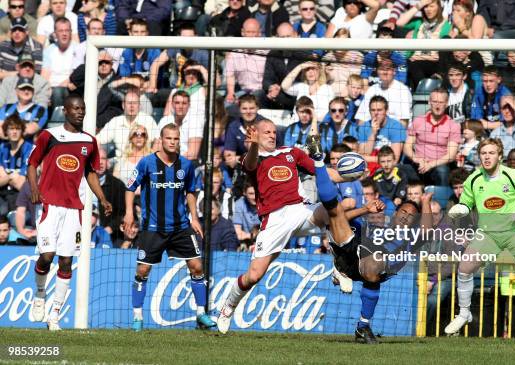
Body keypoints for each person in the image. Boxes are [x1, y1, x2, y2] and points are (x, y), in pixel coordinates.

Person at [305, 134, 433, 343]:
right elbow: (339, 220)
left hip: (375, 265)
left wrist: (425, 201)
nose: (405, 216)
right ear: (395, 214)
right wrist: (364, 208)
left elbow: (427, 230)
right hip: (352, 253)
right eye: (403, 212)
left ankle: (362, 325)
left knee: (374, 263)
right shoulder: (373, 227)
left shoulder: (410, 238)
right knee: (335, 209)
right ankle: (319, 160)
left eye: (411, 216)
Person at [216, 119, 334, 334]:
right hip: (274, 220)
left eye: (274, 132)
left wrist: (348, 174)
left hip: (300, 209)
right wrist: (252, 146)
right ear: (257, 135)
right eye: (266, 132)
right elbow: (250, 164)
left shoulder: (291, 152)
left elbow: (322, 173)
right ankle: (228, 306)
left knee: (333, 210)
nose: (272, 135)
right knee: (254, 275)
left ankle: (341, 267)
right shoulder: (253, 158)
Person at [444, 138, 515, 339]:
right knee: (464, 267)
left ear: (499, 156)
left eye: (491, 153)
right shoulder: (473, 180)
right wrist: (461, 209)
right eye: (483, 153)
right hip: (487, 233)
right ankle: (464, 313)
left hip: (514, 231)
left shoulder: (514, 175)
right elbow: (467, 203)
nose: (487, 156)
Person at [28, 95, 112, 331]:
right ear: (64, 110)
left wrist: (102, 198)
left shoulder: (89, 142)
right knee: (47, 256)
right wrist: (34, 188)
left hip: (73, 208)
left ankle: (54, 315)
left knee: (66, 262)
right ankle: (40, 294)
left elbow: (90, 173)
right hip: (48, 206)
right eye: (75, 108)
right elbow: (32, 163)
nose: (80, 112)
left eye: (82, 109)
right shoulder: (50, 136)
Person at [123, 123, 215, 332]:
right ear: (161, 140)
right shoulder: (147, 163)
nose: (173, 142)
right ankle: (137, 316)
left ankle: (201, 313)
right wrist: (129, 212)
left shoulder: (186, 165)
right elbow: (130, 187)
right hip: (153, 228)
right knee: (143, 270)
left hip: (181, 227)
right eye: (169, 139)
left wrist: (195, 218)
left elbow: (191, 191)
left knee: (197, 267)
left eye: (176, 139)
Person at [404, 87, 461, 186]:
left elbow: (451, 156)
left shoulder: (453, 125)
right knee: (399, 169)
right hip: (418, 163)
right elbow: (407, 147)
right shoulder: (418, 121)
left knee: (442, 171)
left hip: (438, 166)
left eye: (441, 102)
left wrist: (431, 164)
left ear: (446, 104)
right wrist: (417, 159)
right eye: (435, 101)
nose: (437, 105)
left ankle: (442, 200)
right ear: (429, 102)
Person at [0, 115, 33, 216]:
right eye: (11, 128)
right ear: (6, 131)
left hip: (21, 196)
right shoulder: (2, 148)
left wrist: (6, 177)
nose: (14, 132)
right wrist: (11, 176)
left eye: (17, 129)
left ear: (22, 131)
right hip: (3, 193)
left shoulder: (29, 149)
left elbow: (22, 185)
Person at [470, 65, 512, 130]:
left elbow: (508, 123)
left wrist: (488, 125)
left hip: (503, 132)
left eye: (491, 81)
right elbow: (475, 119)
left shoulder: (505, 95)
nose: (488, 85)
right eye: (485, 81)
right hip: (483, 130)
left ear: (499, 80)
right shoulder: (479, 92)